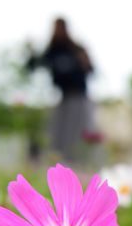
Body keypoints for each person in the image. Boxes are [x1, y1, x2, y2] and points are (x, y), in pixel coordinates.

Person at [27, 18, 100, 162]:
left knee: (79, 135)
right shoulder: (53, 50)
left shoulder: (76, 48)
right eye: (55, 28)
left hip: (79, 97)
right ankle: (61, 166)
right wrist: (31, 52)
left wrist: (84, 62)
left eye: (59, 27)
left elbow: (91, 70)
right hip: (63, 98)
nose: (57, 31)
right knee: (58, 135)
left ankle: (80, 167)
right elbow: (33, 65)